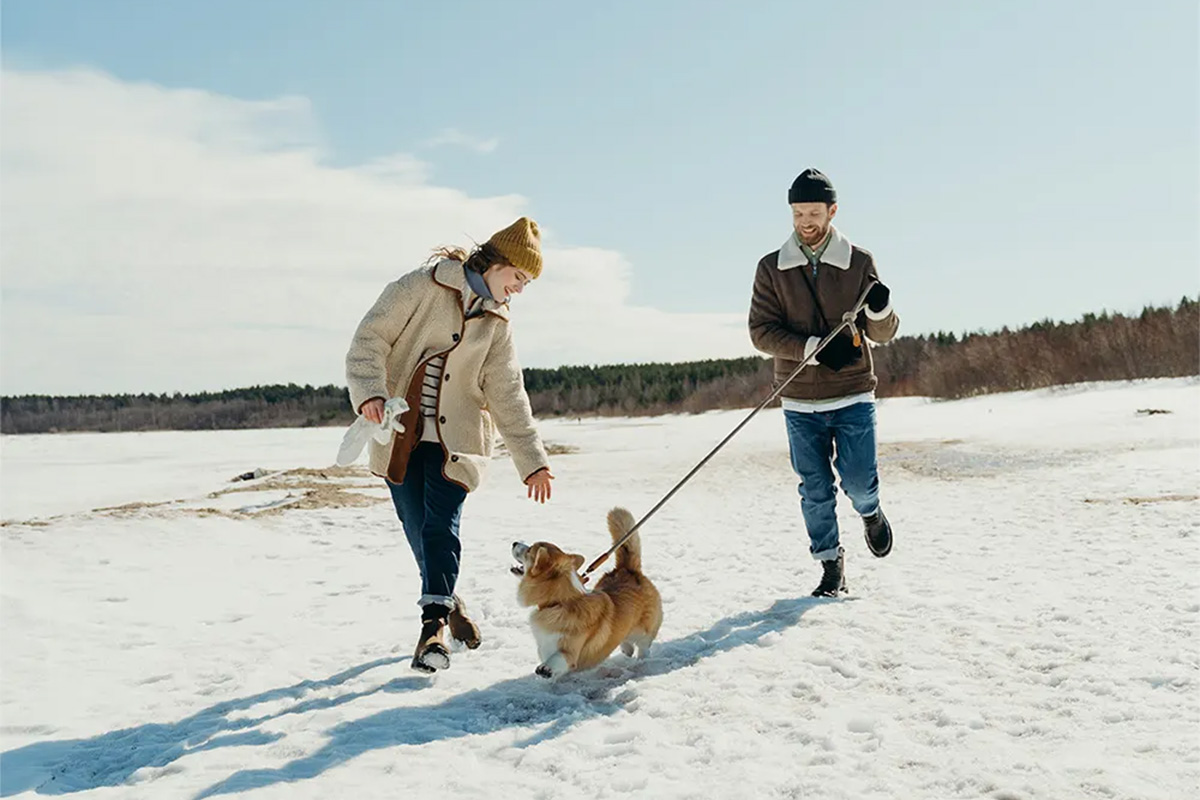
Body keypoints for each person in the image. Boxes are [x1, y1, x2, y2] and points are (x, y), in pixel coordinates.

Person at [345, 217, 554, 672]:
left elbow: (507, 393)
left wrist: (532, 459)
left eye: (526, 283)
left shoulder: (498, 324)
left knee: (441, 527)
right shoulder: (422, 287)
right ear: (498, 263)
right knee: (419, 532)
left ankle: (432, 630)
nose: (519, 289)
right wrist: (371, 393)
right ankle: (448, 599)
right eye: (518, 277)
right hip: (400, 436)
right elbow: (369, 339)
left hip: (455, 444)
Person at [748, 169, 899, 597]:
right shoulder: (771, 268)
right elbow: (761, 331)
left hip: (852, 393)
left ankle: (870, 512)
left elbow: (882, 334)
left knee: (856, 480)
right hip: (798, 400)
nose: (805, 222)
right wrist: (812, 348)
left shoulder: (859, 262)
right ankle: (831, 564)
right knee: (814, 490)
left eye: (814, 212)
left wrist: (880, 310)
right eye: (798, 213)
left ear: (832, 211)